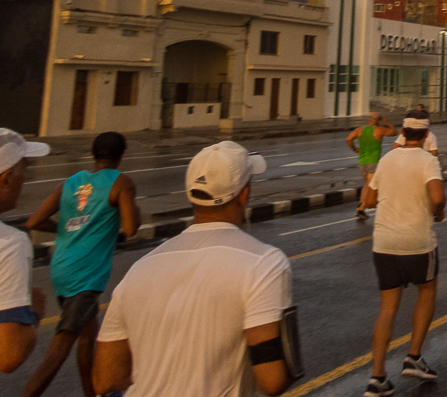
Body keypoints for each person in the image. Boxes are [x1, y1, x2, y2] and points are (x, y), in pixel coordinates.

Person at [94, 142, 293, 397]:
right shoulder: (264, 263)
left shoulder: (140, 268)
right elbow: (272, 380)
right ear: (244, 194)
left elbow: (106, 379)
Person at [21, 132, 140, 397]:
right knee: (60, 348)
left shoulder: (71, 182)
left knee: (88, 336)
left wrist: (67, 229)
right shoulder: (122, 183)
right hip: (85, 276)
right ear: (121, 155)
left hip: (61, 268)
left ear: (94, 155)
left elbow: (34, 222)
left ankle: (91, 393)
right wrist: (133, 206)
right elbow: (131, 228)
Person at [361, 115, 446, 390]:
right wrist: (439, 211)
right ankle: (413, 357)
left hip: (384, 243)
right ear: (425, 134)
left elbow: (369, 199)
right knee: (427, 291)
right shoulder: (428, 161)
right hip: (417, 242)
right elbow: (437, 197)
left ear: (404, 133)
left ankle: (377, 378)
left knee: (387, 308)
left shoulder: (387, 159)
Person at [0, 130, 50, 377]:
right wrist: (34, 312)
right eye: (24, 171)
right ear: (6, 179)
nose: (24, 180)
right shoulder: (9, 243)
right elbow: (9, 355)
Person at [349, 113, 397, 217]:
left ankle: (361, 208)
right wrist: (386, 121)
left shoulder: (360, 130)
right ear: (378, 120)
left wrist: (355, 149)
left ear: (369, 119)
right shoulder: (379, 129)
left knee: (367, 184)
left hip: (362, 161)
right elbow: (394, 132)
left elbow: (348, 139)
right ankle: (362, 208)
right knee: (370, 185)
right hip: (373, 161)